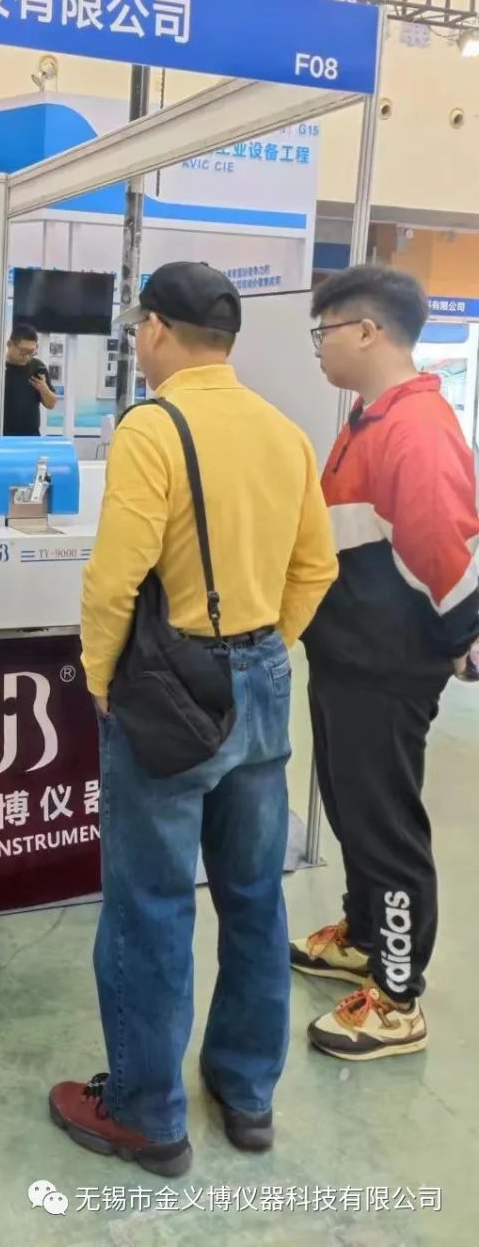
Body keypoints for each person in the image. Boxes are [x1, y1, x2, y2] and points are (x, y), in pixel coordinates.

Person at [49, 262, 337, 1176]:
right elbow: (317, 566)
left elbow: (115, 575)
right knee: (255, 895)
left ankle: (147, 1115)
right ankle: (248, 1094)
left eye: (140, 328)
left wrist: (101, 675)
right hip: (262, 679)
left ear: (158, 330)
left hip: (170, 690)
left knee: (151, 903)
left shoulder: (153, 425)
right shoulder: (285, 432)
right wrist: (264, 648)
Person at [291, 266, 479, 1061]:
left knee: (384, 825)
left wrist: (463, 635)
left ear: (367, 330)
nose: (318, 347)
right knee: (350, 807)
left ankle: (398, 995)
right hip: (348, 654)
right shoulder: (369, 419)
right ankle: (366, 938)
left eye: (324, 331)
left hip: (388, 665)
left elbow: (445, 546)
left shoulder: (417, 427)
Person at [2, 321, 58, 435]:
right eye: (23, 351)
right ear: (9, 344)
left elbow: (51, 404)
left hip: (31, 436)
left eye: (31, 352)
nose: (27, 356)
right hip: (1, 434)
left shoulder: (38, 367)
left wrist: (44, 389)